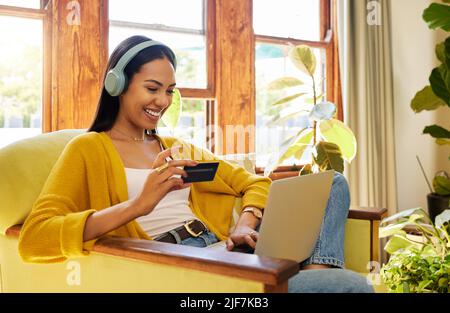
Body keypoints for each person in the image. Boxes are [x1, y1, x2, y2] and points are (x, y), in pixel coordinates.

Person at [18, 35, 373, 293]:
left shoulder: (175, 147)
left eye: (170, 90)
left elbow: (253, 183)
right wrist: (140, 204)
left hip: (227, 251)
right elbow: (35, 238)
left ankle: (314, 269)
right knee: (351, 287)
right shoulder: (88, 148)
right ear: (118, 85)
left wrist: (244, 223)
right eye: (153, 88)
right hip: (188, 268)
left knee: (332, 183)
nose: (163, 100)